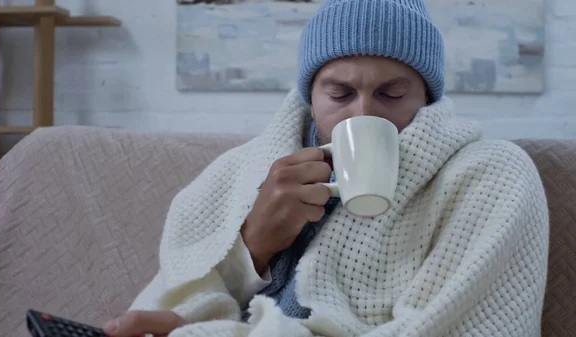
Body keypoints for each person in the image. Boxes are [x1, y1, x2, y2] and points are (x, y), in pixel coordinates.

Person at [102, 0, 549, 336]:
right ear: (310, 96)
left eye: (391, 95)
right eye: (339, 95)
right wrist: (253, 244)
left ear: (427, 97)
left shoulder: (489, 176)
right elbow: (170, 298)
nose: (362, 116)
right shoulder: (243, 172)